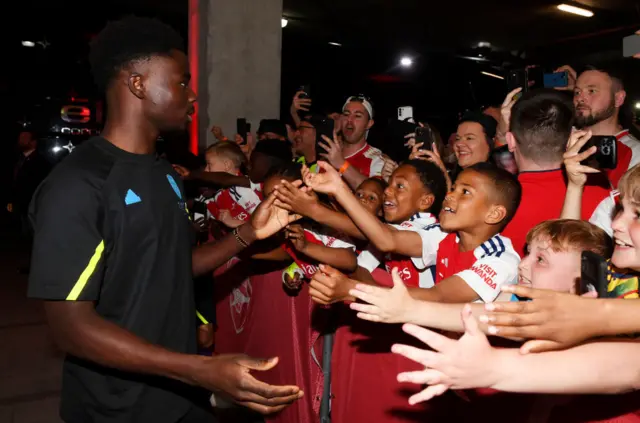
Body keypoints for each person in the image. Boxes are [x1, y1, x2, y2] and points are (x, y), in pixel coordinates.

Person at [27, 17, 303, 423]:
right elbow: (70, 327)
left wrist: (248, 233)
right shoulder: (79, 184)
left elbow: (174, 265)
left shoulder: (163, 174)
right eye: (181, 82)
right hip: (116, 409)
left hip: (180, 396)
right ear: (138, 84)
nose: (193, 95)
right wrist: (199, 369)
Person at [501, 89, 610, 256]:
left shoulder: (495, 202)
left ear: (510, 140)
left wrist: (501, 131)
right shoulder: (603, 190)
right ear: (571, 138)